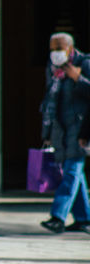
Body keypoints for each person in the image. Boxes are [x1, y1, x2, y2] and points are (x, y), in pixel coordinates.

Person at [40, 32, 90, 234]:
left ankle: (57, 217)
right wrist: (47, 133)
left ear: (70, 48)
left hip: (81, 129)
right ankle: (84, 219)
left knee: (70, 173)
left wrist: (79, 78)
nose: (55, 53)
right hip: (62, 129)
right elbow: (49, 102)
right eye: (52, 49)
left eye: (59, 48)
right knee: (76, 175)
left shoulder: (84, 63)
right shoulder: (52, 69)